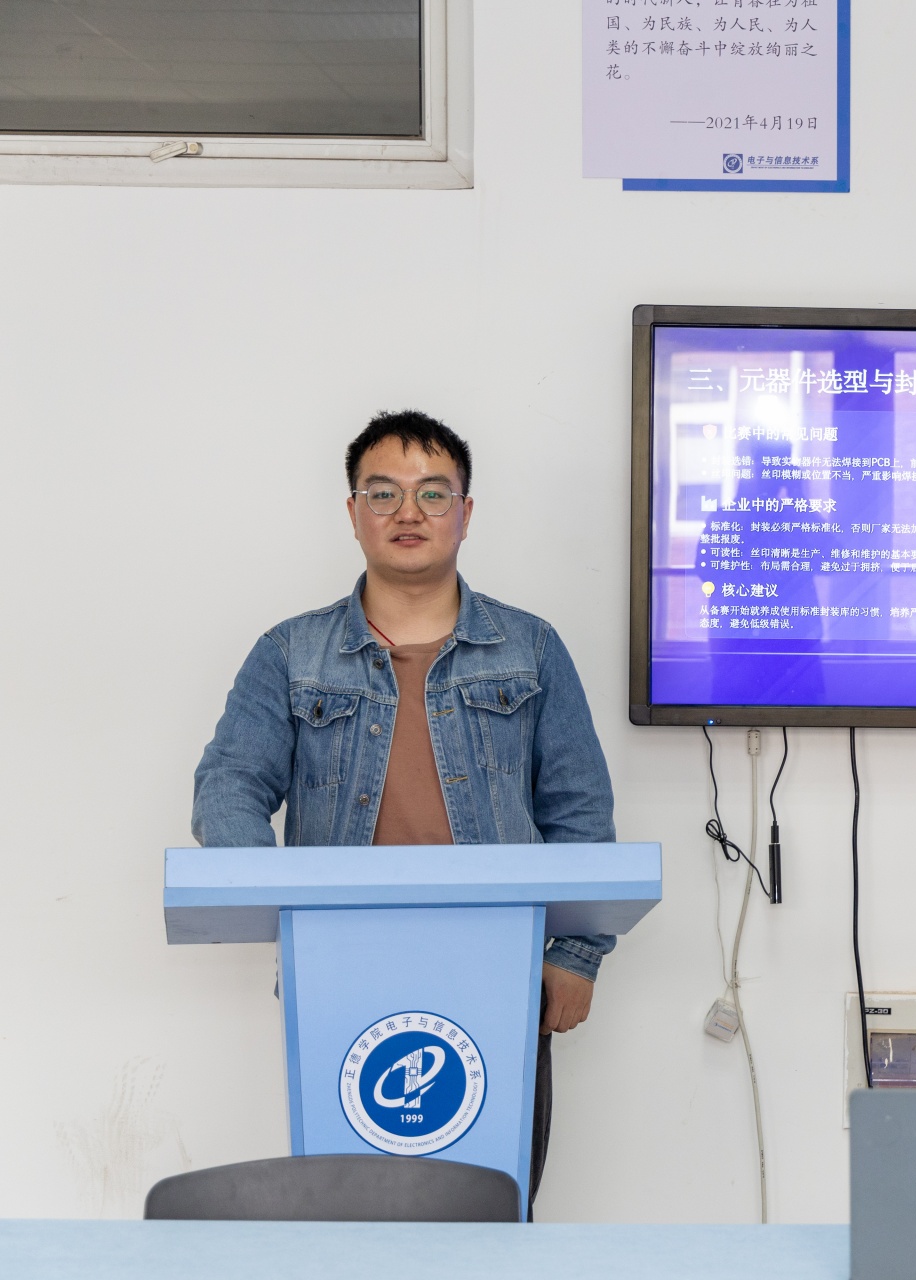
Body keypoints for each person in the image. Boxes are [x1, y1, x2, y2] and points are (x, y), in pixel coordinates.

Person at [192, 409, 615, 1209]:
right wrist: (274, 898)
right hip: (338, 966)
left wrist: (577, 954)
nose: (408, 512)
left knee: (493, 1209)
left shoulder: (530, 649)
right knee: (350, 1213)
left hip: (502, 969)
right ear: (353, 512)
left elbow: (580, 810)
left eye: (433, 492)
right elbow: (229, 783)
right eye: (383, 492)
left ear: (466, 512)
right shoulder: (290, 654)